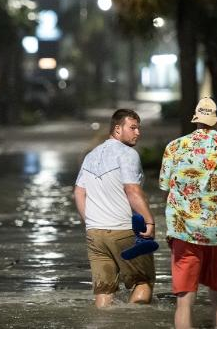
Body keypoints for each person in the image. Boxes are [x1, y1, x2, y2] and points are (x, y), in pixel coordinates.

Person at [159, 97, 217, 328]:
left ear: (196, 118)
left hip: (184, 233)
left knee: (184, 303)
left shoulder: (174, 147)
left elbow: (164, 189)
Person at [73, 109, 156, 308]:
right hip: (123, 230)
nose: (138, 133)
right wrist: (149, 220)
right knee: (143, 282)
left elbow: (78, 192)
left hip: (95, 234)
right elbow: (132, 190)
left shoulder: (91, 156)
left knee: (104, 290)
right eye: (133, 128)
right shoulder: (127, 154)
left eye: (139, 128)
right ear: (117, 129)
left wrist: (91, 222)